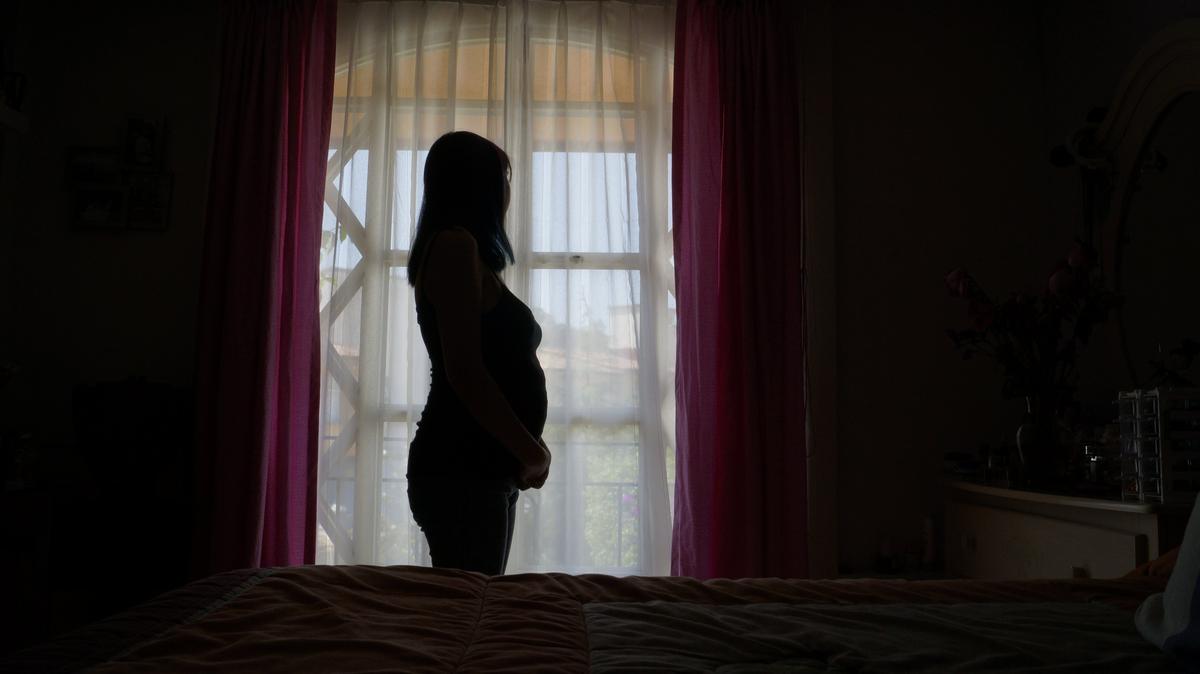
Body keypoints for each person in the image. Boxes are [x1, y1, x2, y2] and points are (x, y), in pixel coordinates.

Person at [405, 131, 551, 575]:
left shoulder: (469, 253)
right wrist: (531, 451)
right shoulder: (455, 246)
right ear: (477, 183)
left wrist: (525, 449)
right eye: (503, 177)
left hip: (484, 469)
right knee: (470, 607)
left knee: (478, 604)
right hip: (462, 469)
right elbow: (465, 373)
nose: (508, 190)